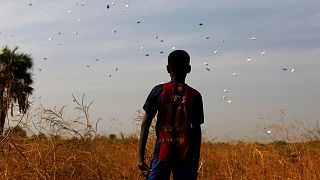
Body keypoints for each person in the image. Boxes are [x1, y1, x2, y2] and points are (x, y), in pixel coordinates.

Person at [137, 50, 204, 180]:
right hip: (185, 156)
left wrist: (140, 158)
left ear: (168, 68)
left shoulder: (158, 90)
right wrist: (195, 164)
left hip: (161, 153)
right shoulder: (195, 95)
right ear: (189, 69)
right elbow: (197, 131)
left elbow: (145, 124)